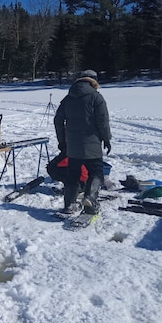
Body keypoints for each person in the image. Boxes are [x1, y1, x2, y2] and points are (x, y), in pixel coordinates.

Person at [54, 70, 112, 215]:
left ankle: (69, 205)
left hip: (73, 146)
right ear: (94, 81)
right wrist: (106, 138)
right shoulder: (96, 97)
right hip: (92, 143)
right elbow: (103, 122)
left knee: (73, 174)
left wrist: (62, 140)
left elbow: (58, 120)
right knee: (96, 171)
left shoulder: (68, 98)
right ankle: (90, 198)